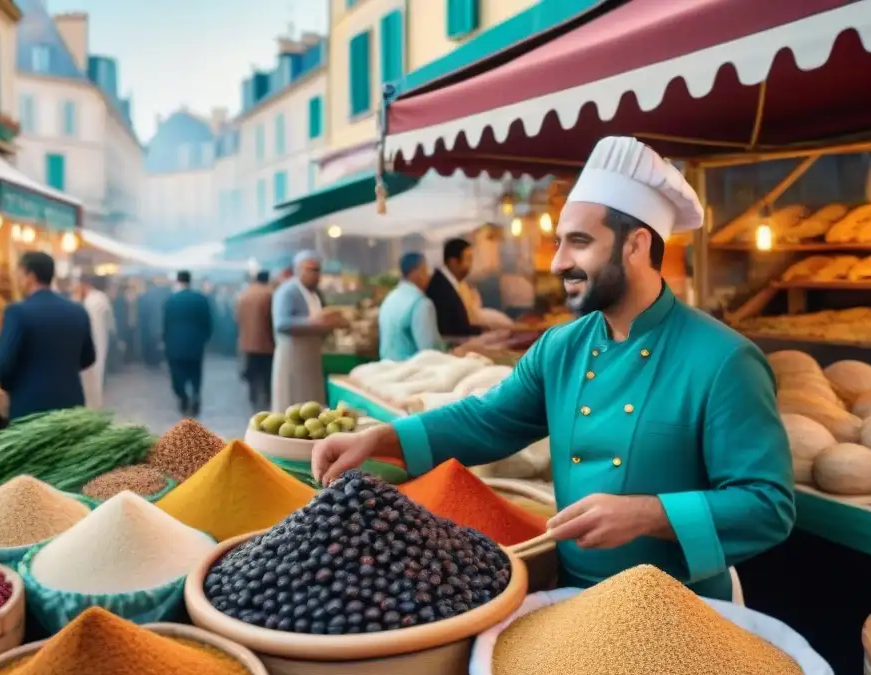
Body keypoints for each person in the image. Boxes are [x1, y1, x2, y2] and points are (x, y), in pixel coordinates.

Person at [313, 136, 794, 601]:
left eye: (580, 242)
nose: (560, 261)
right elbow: (488, 418)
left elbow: (767, 505)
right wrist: (380, 439)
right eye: (560, 242)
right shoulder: (561, 347)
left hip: (682, 606)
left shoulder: (724, 359)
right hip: (572, 598)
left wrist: (650, 514)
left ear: (637, 245)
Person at [0, 252, 95, 420]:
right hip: (72, 407)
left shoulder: (17, 312)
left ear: (30, 276)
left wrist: (16, 386)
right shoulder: (78, 311)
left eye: (19, 273)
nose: (17, 279)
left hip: (31, 410)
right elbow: (89, 358)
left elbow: (3, 365)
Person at [271, 250, 347, 412]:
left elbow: (324, 317)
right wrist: (314, 322)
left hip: (312, 356)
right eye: (310, 269)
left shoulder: (316, 293)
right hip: (292, 356)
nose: (315, 274)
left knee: (312, 404)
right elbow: (281, 324)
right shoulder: (287, 291)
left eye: (318, 270)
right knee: (292, 405)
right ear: (298, 270)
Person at [378, 252, 446, 362]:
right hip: (412, 373)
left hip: (386, 369)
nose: (428, 276)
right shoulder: (420, 303)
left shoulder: (389, 300)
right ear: (416, 272)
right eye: (425, 270)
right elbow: (431, 352)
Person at [162, 270, 212, 416]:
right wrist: (205, 338)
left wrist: (165, 340)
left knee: (177, 374)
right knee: (196, 373)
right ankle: (196, 395)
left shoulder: (170, 300)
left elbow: (165, 323)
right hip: (196, 344)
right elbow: (208, 322)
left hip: (175, 345)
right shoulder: (201, 299)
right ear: (190, 281)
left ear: (178, 281)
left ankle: (182, 397)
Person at [424, 238, 483, 338]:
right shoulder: (440, 289)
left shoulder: (447, 284)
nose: (470, 266)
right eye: (468, 260)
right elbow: (449, 331)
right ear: (453, 262)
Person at [236, 270, 275, 410]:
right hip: (266, 343)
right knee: (266, 374)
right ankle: (267, 399)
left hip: (247, 342)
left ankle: (253, 397)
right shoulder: (270, 294)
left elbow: (237, 318)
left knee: (252, 373)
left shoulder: (244, 294)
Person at [75, 274, 114, 410]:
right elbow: (111, 324)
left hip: (94, 344)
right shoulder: (100, 298)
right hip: (100, 343)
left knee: (92, 379)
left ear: (84, 285)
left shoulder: (92, 301)